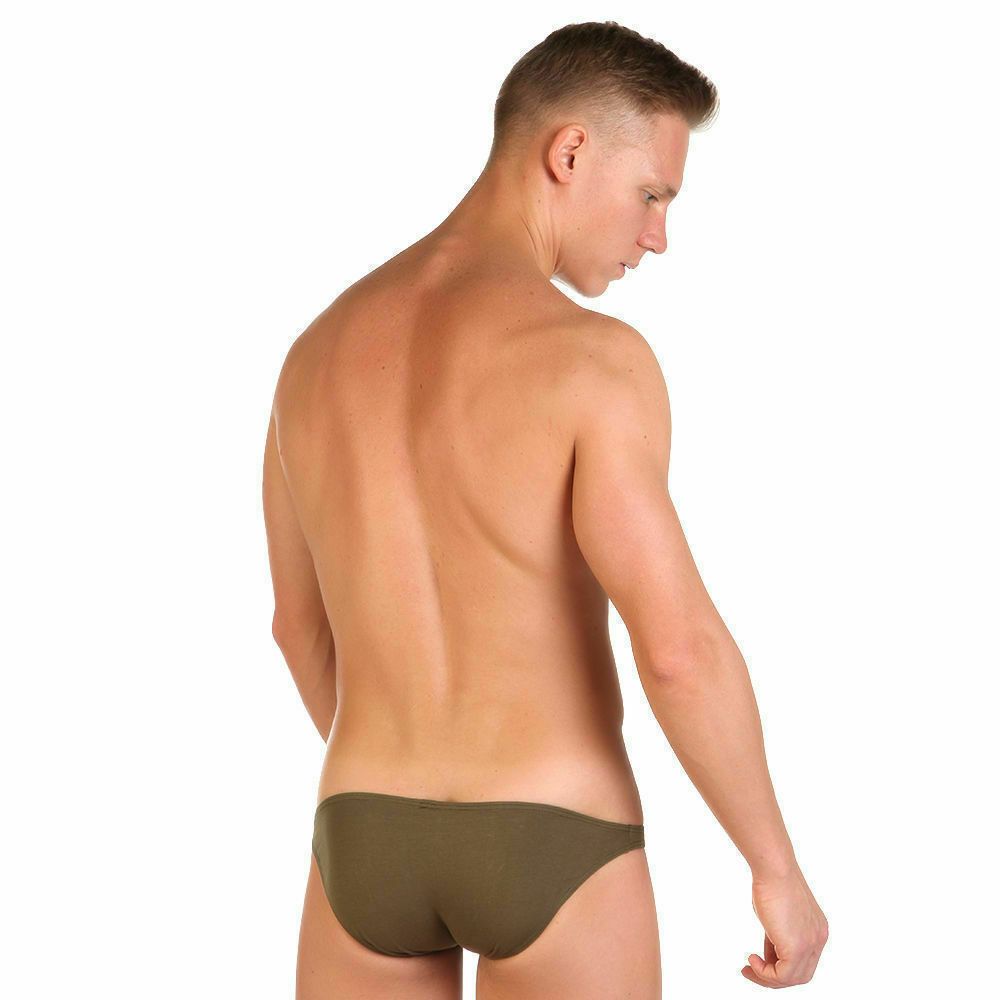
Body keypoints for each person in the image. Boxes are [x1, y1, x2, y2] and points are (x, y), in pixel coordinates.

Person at [262, 20, 828, 999]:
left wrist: (411, 807)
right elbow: (677, 649)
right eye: (651, 194)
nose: (657, 235)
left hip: (361, 829)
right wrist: (775, 867)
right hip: (554, 832)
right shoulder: (592, 360)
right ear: (568, 152)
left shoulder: (313, 354)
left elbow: (296, 626)